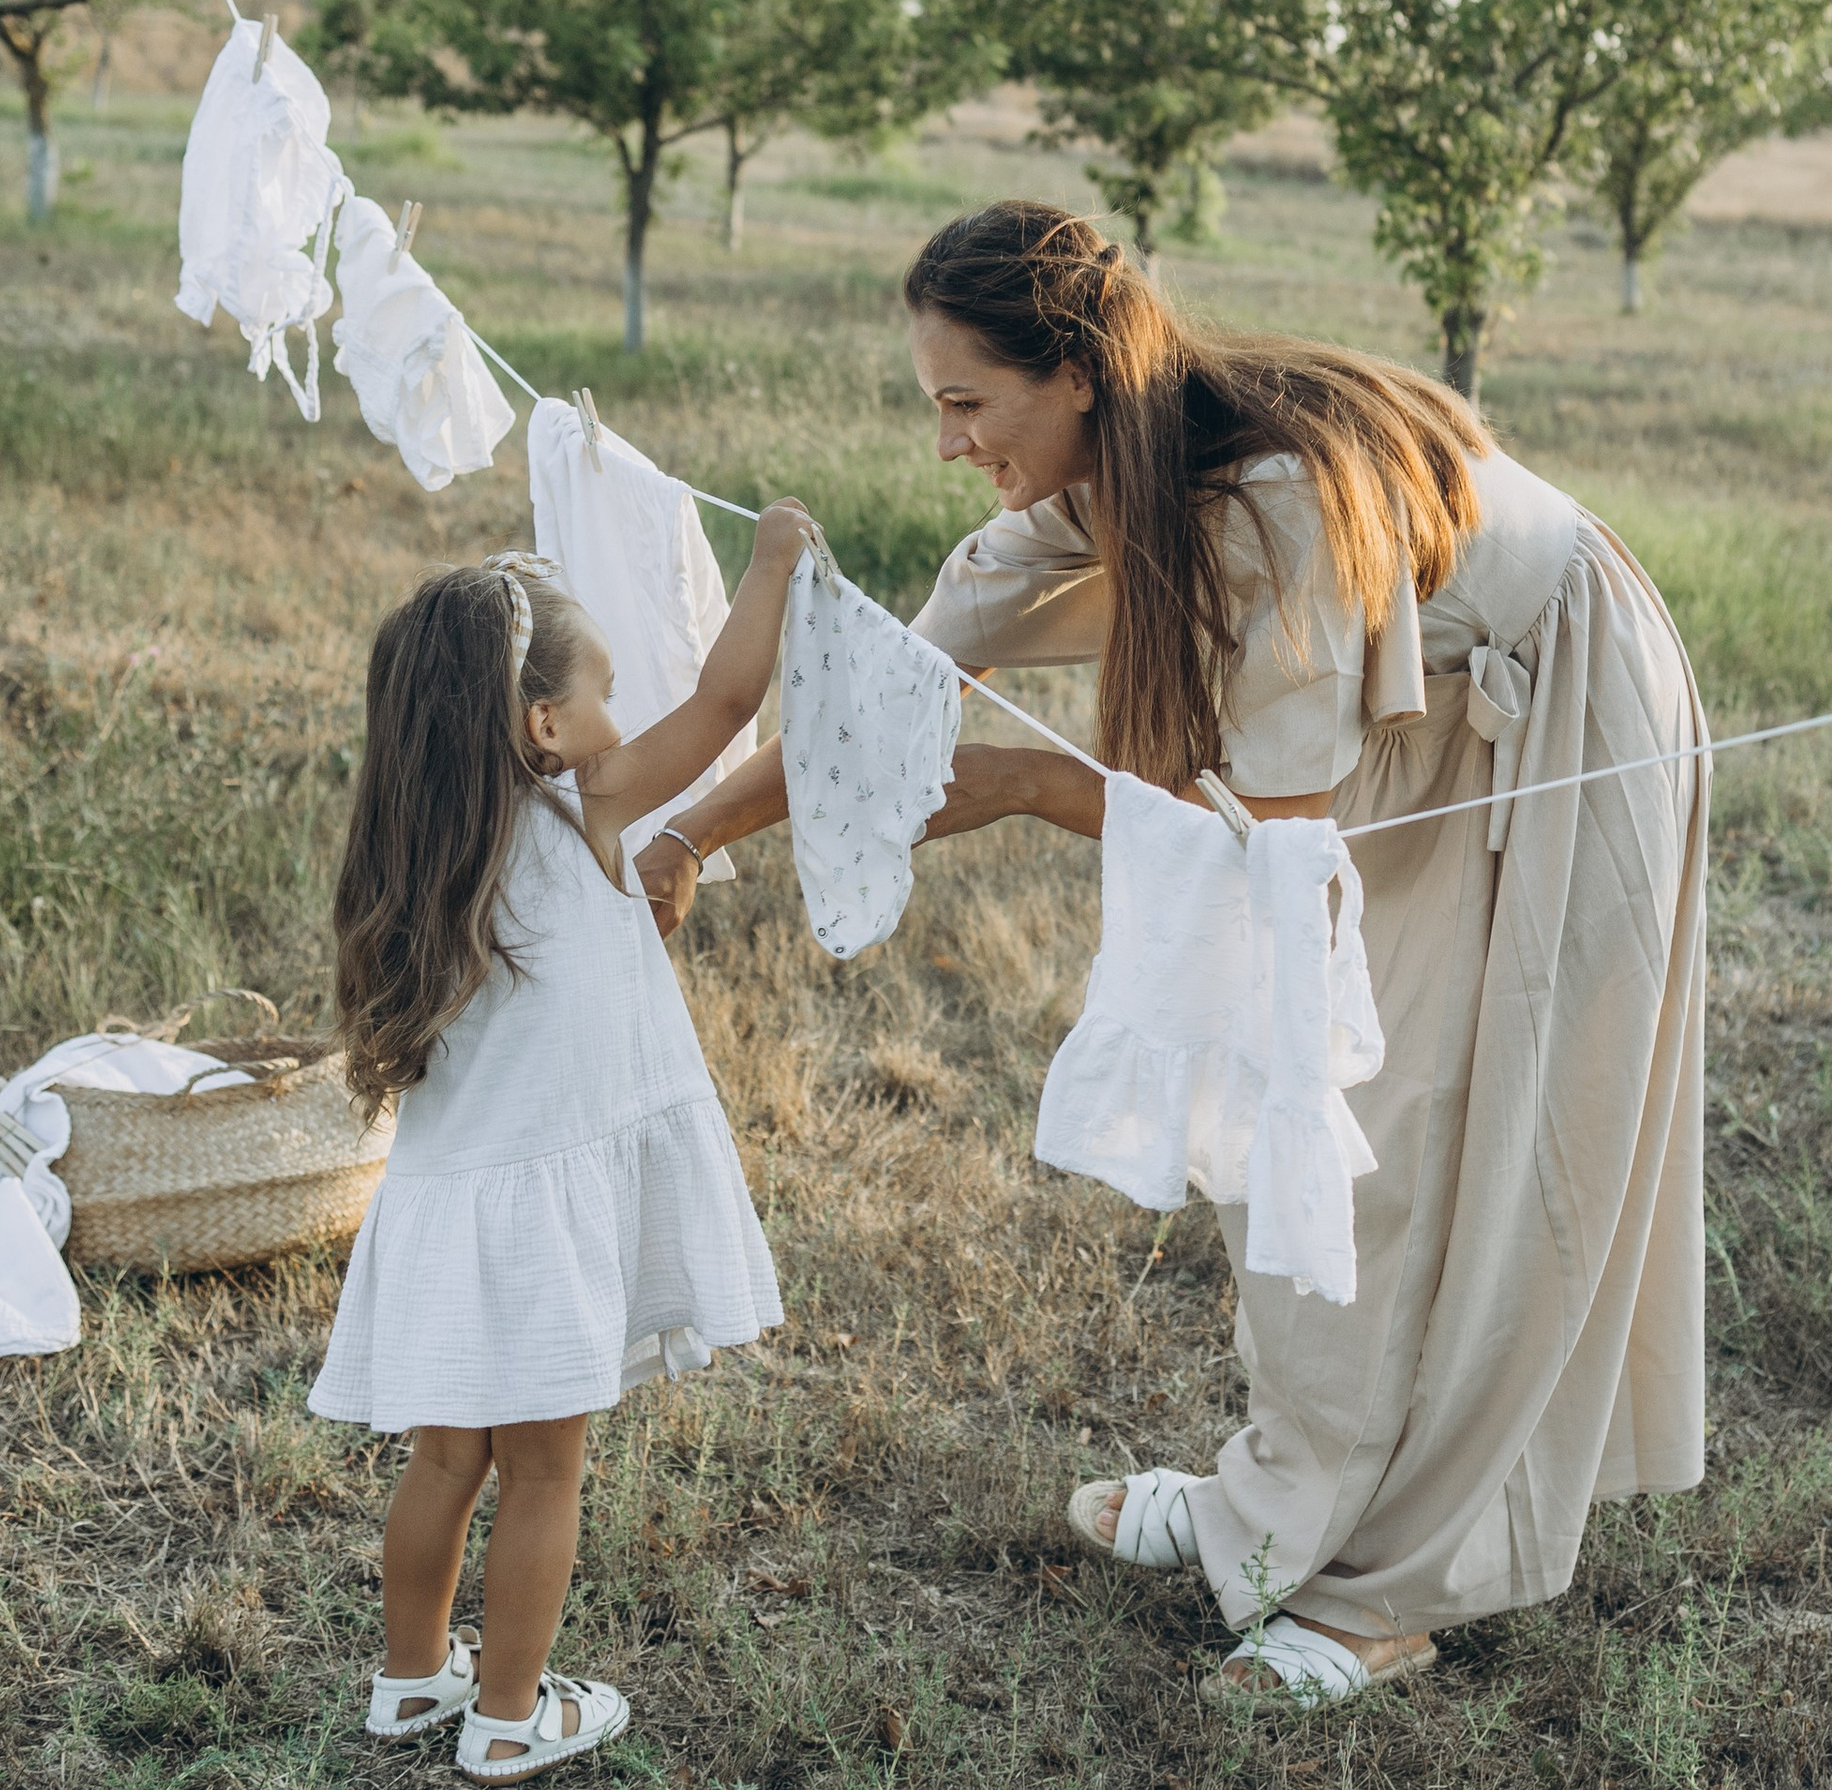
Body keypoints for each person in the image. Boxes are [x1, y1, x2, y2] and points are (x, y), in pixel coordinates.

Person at [636, 202, 1709, 1707]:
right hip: (1401, 745)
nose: (947, 440)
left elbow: (1266, 852)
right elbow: (887, 690)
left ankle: (1389, 1589)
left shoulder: (1261, 501)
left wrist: (1022, 786)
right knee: (1322, 1143)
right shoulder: (1102, 485)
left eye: (966, 402)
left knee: (1407, 1140)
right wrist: (685, 834)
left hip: (1559, 717)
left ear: (1071, 371)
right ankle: (1274, 1499)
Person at [316, 513, 813, 1779]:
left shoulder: (416, 851)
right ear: (540, 725)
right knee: (547, 1474)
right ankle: (509, 1719)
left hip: (444, 1212)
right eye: (599, 685)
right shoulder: (588, 812)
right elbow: (729, 697)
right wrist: (769, 562)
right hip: (536, 1232)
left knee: (446, 1458)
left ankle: (412, 1683)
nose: (618, 703)